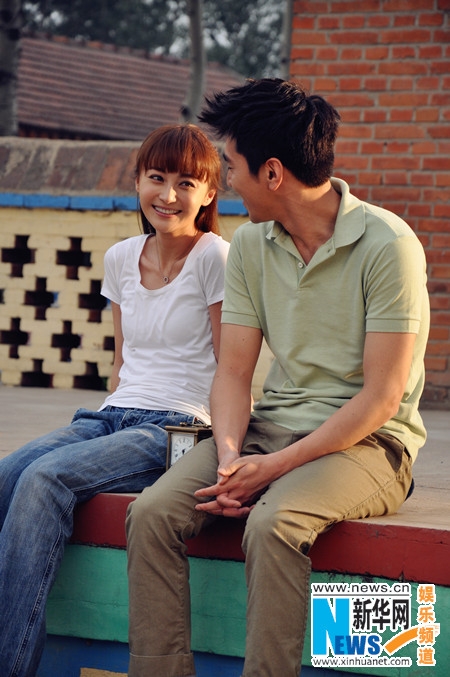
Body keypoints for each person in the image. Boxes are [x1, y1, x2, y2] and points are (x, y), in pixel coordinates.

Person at [126, 79, 430, 677]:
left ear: (271, 173)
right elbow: (234, 373)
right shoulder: (250, 246)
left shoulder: (388, 244)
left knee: (273, 525)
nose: (227, 182)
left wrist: (272, 469)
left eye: (231, 167)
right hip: (270, 429)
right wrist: (230, 460)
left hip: (371, 444)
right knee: (152, 512)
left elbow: (381, 398)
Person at [0, 123, 229, 677]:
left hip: (177, 427)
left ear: (208, 194)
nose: (168, 195)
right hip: (114, 414)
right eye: (156, 178)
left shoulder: (217, 257)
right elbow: (123, 359)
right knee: (9, 472)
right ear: (138, 182)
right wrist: (103, 422)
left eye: (185, 183)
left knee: (46, 480)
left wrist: (227, 454)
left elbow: (233, 368)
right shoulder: (123, 256)